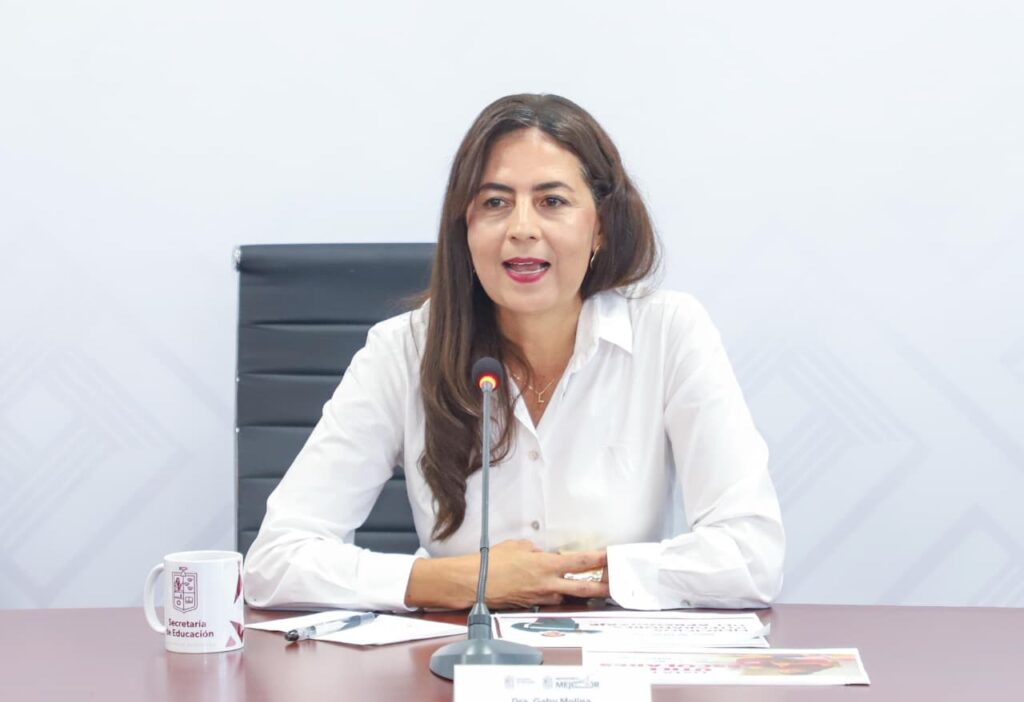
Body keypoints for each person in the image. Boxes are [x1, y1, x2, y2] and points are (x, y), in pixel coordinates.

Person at [243, 93, 784, 612]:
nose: (522, 229)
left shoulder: (669, 332)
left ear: (600, 227)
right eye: (495, 203)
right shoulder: (402, 351)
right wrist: (462, 581)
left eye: (552, 201)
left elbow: (751, 555)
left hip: (615, 660)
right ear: (466, 227)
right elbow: (275, 561)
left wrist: (587, 577)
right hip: (456, 656)